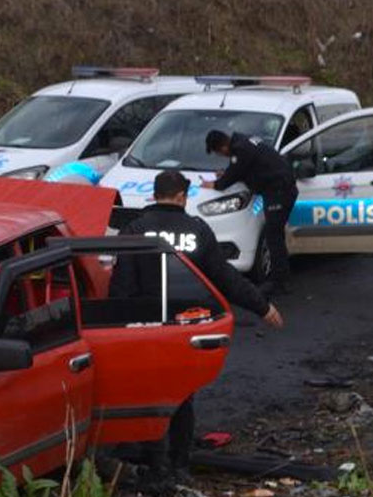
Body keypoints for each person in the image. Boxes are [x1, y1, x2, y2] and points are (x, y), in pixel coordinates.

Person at [112, 169, 284, 478]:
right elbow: (225, 278)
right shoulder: (197, 231)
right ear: (181, 197)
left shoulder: (134, 230)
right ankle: (179, 463)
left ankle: (153, 463)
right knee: (181, 395)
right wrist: (262, 305)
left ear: (154, 195)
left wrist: (115, 333)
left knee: (147, 394)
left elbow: (120, 288)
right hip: (184, 328)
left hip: (144, 330)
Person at [202, 128, 299, 293]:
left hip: (279, 192)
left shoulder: (241, 150)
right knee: (275, 235)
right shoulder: (242, 141)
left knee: (273, 236)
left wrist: (215, 184)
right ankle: (281, 277)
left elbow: (231, 175)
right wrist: (228, 174)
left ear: (223, 147)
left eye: (219, 153)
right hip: (280, 189)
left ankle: (280, 282)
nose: (222, 156)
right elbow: (243, 168)